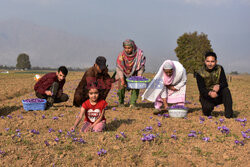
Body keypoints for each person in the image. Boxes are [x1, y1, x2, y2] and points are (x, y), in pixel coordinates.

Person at [196, 52, 233, 118]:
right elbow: (201, 89)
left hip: (218, 94)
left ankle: (229, 115)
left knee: (226, 90)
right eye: (208, 61)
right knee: (207, 111)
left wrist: (219, 86)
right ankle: (207, 108)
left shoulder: (220, 69)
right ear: (205, 61)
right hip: (207, 96)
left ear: (216, 61)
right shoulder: (199, 72)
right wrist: (210, 93)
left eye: (212, 61)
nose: (210, 64)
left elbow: (225, 83)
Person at [115, 39, 146, 108]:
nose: (127, 50)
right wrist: (122, 79)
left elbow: (141, 66)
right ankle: (121, 102)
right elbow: (119, 67)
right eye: (125, 48)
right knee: (121, 87)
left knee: (136, 87)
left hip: (135, 74)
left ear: (133, 47)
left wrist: (139, 76)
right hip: (123, 73)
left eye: (129, 48)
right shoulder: (121, 55)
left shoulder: (139, 54)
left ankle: (132, 103)